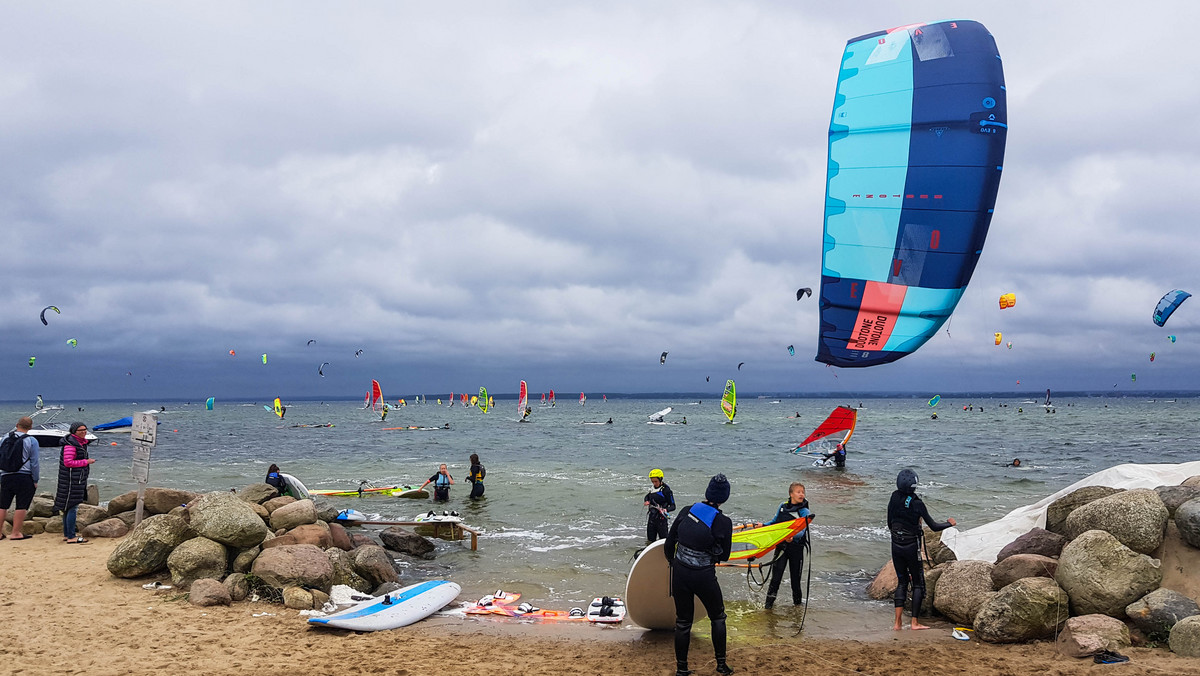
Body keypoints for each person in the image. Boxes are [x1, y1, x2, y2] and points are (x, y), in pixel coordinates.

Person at [665, 475, 735, 676]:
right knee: (718, 617)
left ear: (707, 492)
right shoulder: (724, 522)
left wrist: (673, 563)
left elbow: (670, 543)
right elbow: (724, 556)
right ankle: (721, 666)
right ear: (725, 497)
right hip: (703, 576)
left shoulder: (688, 510)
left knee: (683, 622)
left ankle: (681, 669)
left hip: (680, 573)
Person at [888, 469, 956, 630]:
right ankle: (914, 623)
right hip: (911, 546)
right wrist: (949, 523)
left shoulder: (894, 497)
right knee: (918, 583)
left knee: (902, 582)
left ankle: (897, 623)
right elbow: (933, 526)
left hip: (896, 544)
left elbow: (890, 522)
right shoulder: (917, 503)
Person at [761, 482, 811, 609]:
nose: (801, 494)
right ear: (791, 494)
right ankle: (768, 607)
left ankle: (797, 608)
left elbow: (802, 531)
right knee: (775, 579)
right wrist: (762, 526)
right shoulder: (782, 506)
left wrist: (792, 537)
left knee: (795, 581)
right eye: (798, 492)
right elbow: (775, 522)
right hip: (782, 547)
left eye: (803, 492)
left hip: (796, 549)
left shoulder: (805, 511)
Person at [53, 423, 96, 544]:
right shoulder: (71, 444)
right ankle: (71, 536)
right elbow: (68, 462)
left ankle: (68, 534)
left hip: (76, 478)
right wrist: (86, 461)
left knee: (68, 507)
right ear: (74, 432)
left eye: (85, 429)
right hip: (71, 480)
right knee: (72, 506)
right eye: (80, 430)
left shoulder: (79, 443)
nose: (84, 432)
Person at [0, 417, 40, 541]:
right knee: (21, 505)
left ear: (17, 424)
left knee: (2, 505)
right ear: (30, 427)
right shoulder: (31, 440)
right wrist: (35, 479)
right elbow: (34, 462)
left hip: (5, 475)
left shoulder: (5, 438)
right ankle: (15, 533)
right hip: (24, 475)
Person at [643, 469, 675, 542]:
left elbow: (673, 506)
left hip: (661, 520)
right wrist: (646, 501)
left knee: (663, 541)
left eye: (656, 481)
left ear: (660, 479)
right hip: (652, 518)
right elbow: (647, 496)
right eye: (652, 481)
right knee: (650, 541)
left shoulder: (666, 490)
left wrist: (666, 510)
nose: (654, 483)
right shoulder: (652, 488)